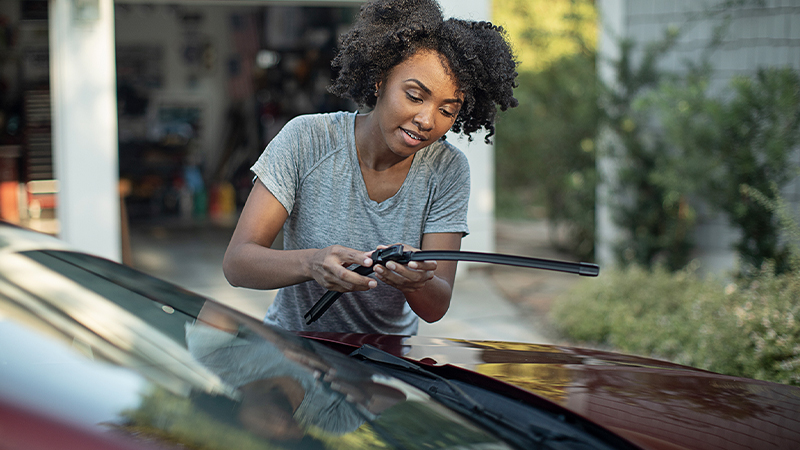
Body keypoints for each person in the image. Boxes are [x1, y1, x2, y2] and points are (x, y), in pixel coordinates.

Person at [223, 0, 518, 335]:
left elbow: (436, 307)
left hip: (386, 364)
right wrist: (312, 263)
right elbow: (238, 263)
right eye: (414, 96)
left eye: (447, 110)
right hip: (295, 350)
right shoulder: (306, 139)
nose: (426, 120)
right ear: (380, 80)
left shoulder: (447, 169)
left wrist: (415, 281)